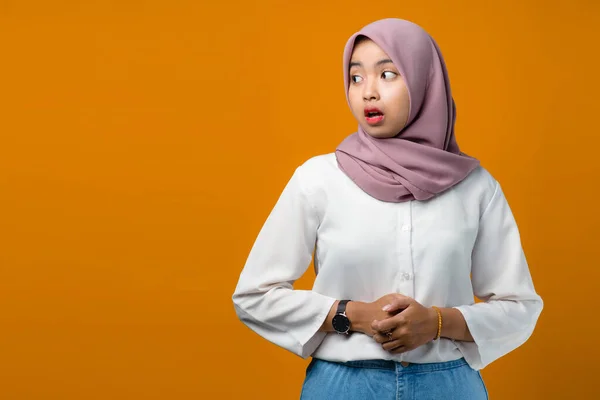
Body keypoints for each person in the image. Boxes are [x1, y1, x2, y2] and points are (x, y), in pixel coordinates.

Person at [232, 18, 543, 399]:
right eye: (356, 77)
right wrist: (353, 315)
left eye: (388, 74)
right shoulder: (318, 179)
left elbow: (520, 306)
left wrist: (437, 323)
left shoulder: (475, 188)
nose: (368, 92)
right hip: (342, 384)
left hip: (447, 385)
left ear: (425, 81)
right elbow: (254, 296)